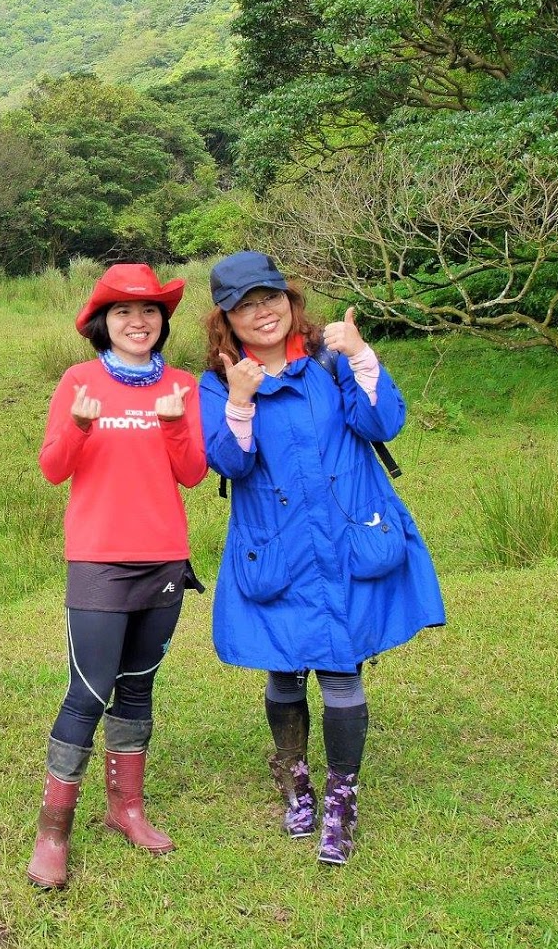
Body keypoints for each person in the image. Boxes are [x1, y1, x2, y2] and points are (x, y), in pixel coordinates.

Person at [198, 250, 445, 866]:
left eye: (271, 298)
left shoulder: (330, 363)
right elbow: (228, 463)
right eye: (246, 306)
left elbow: (382, 422)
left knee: (341, 670)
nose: (263, 313)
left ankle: (341, 799)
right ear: (226, 319)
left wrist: (361, 355)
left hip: (341, 541)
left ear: (290, 302)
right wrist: (240, 401)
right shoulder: (217, 383)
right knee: (284, 670)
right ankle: (295, 781)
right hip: (276, 546)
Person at [28, 263, 207, 889]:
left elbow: (193, 473)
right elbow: (54, 469)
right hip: (99, 559)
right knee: (88, 690)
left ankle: (126, 809)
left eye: (150, 310)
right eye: (125, 311)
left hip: (163, 557)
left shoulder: (181, 385)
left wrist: (174, 421)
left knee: (136, 688)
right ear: (103, 322)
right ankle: (53, 832)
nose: (139, 321)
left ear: (163, 321)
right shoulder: (79, 381)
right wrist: (79, 425)